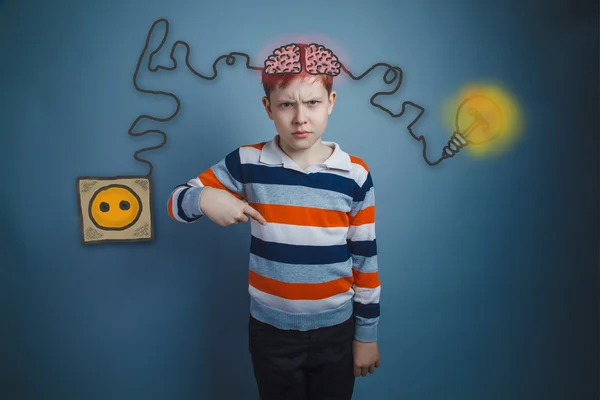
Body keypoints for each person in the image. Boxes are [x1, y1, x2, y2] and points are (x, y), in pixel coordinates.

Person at [167, 43, 381, 400]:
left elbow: (366, 259)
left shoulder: (355, 173)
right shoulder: (247, 162)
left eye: (312, 102)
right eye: (286, 104)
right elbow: (176, 202)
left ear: (331, 102)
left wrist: (367, 335)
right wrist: (204, 198)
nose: (300, 117)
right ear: (268, 108)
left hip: (337, 332)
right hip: (271, 333)